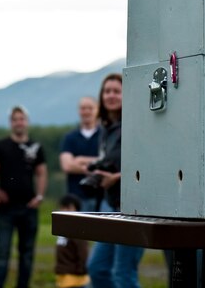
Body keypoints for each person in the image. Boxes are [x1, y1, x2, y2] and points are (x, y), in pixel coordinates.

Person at [87, 73, 144, 288]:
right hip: (111, 205)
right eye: (107, 91)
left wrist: (115, 178)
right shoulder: (106, 129)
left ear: (126, 94)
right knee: (98, 269)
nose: (111, 95)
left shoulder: (136, 124)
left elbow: (148, 165)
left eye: (116, 91)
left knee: (123, 274)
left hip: (134, 209)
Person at [0, 105, 48, 288]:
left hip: (29, 207)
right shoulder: (1, 146)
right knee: (2, 251)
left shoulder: (36, 147)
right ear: (10, 123)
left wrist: (40, 196)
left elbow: (42, 172)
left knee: (27, 253)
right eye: (15, 119)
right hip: (5, 208)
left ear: (27, 122)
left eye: (22, 119)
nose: (19, 122)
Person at [58, 96, 101, 212]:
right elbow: (66, 165)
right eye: (83, 108)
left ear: (97, 110)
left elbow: (111, 160)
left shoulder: (104, 135)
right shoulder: (69, 138)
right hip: (76, 199)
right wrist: (94, 165)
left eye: (90, 108)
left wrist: (80, 159)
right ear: (78, 111)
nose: (86, 111)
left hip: (102, 198)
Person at [54, 194, 89, 288]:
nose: (65, 210)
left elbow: (83, 252)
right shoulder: (62, 229)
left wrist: (81, 270)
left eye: (68, 207)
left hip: (75, 278)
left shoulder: (77, 230)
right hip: (63, 276)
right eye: (62, 207)